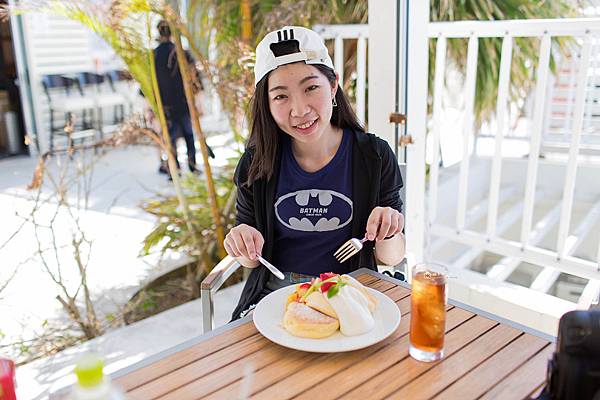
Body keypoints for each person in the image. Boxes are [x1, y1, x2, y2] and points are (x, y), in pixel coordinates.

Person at [223, 26, 406, 320]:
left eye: (311, 88)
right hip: (276, 296)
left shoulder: (373, 155)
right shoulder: (256, 163)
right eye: (280, 97)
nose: (299, 110)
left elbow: (391, 257)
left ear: (333, 86)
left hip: (348, 292)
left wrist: (390, 226)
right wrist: (242, 240)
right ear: (266, 105)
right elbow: (251, 262)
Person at [153, 20, 213, 176]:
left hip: (164, 105)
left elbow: (148, 86)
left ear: (159, 33)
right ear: (172, 33)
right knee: (188, 135)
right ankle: (192, 166)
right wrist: (199, 102)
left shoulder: (154, 56)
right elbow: (195, 80)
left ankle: (176, 169)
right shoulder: (182, 53)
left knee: (170, 137)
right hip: (183, 102)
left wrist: (151, 109)